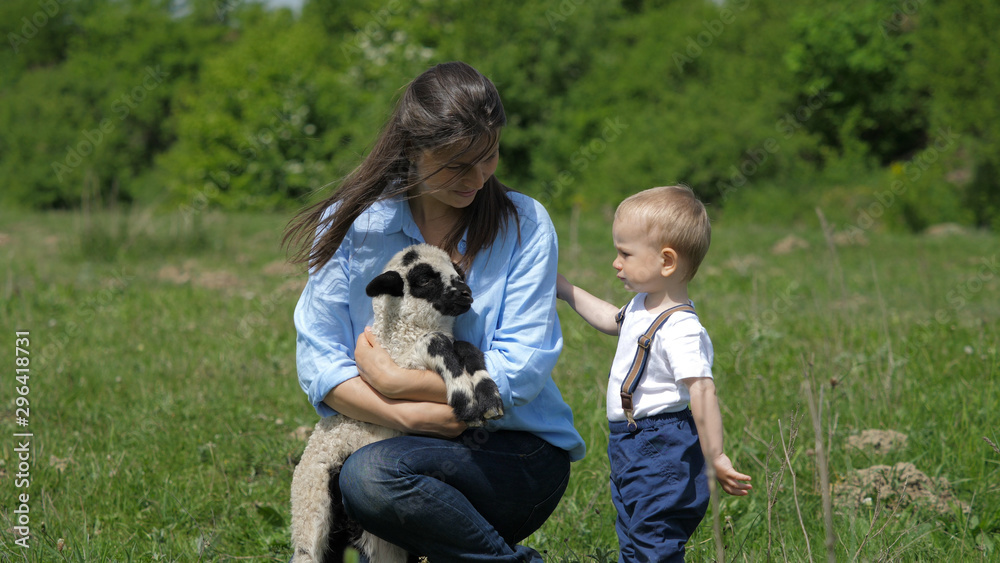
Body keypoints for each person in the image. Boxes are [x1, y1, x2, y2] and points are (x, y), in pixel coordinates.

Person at [284, 61, 585, 562]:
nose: (477, 178)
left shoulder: (527, 224)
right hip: (391, 440)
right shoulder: (351, 225)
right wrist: (401, 411)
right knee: (359, 475)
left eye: (487, 157)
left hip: (516, 453)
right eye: (454, 164)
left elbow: (522, 369)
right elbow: (319, 359)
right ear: (410, 152)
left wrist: (401, 381)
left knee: (372, 476)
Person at [556, 185, 751, 562]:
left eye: (625, 253)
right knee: (632, 534)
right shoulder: (642, 305)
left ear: (666, 261)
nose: (616, 262)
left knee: (654, 539)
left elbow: (702, 391)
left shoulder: (681, 329)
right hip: (631, 442)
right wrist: (565, 289)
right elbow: (612, 320)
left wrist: (717, 455)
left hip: (663, 446)